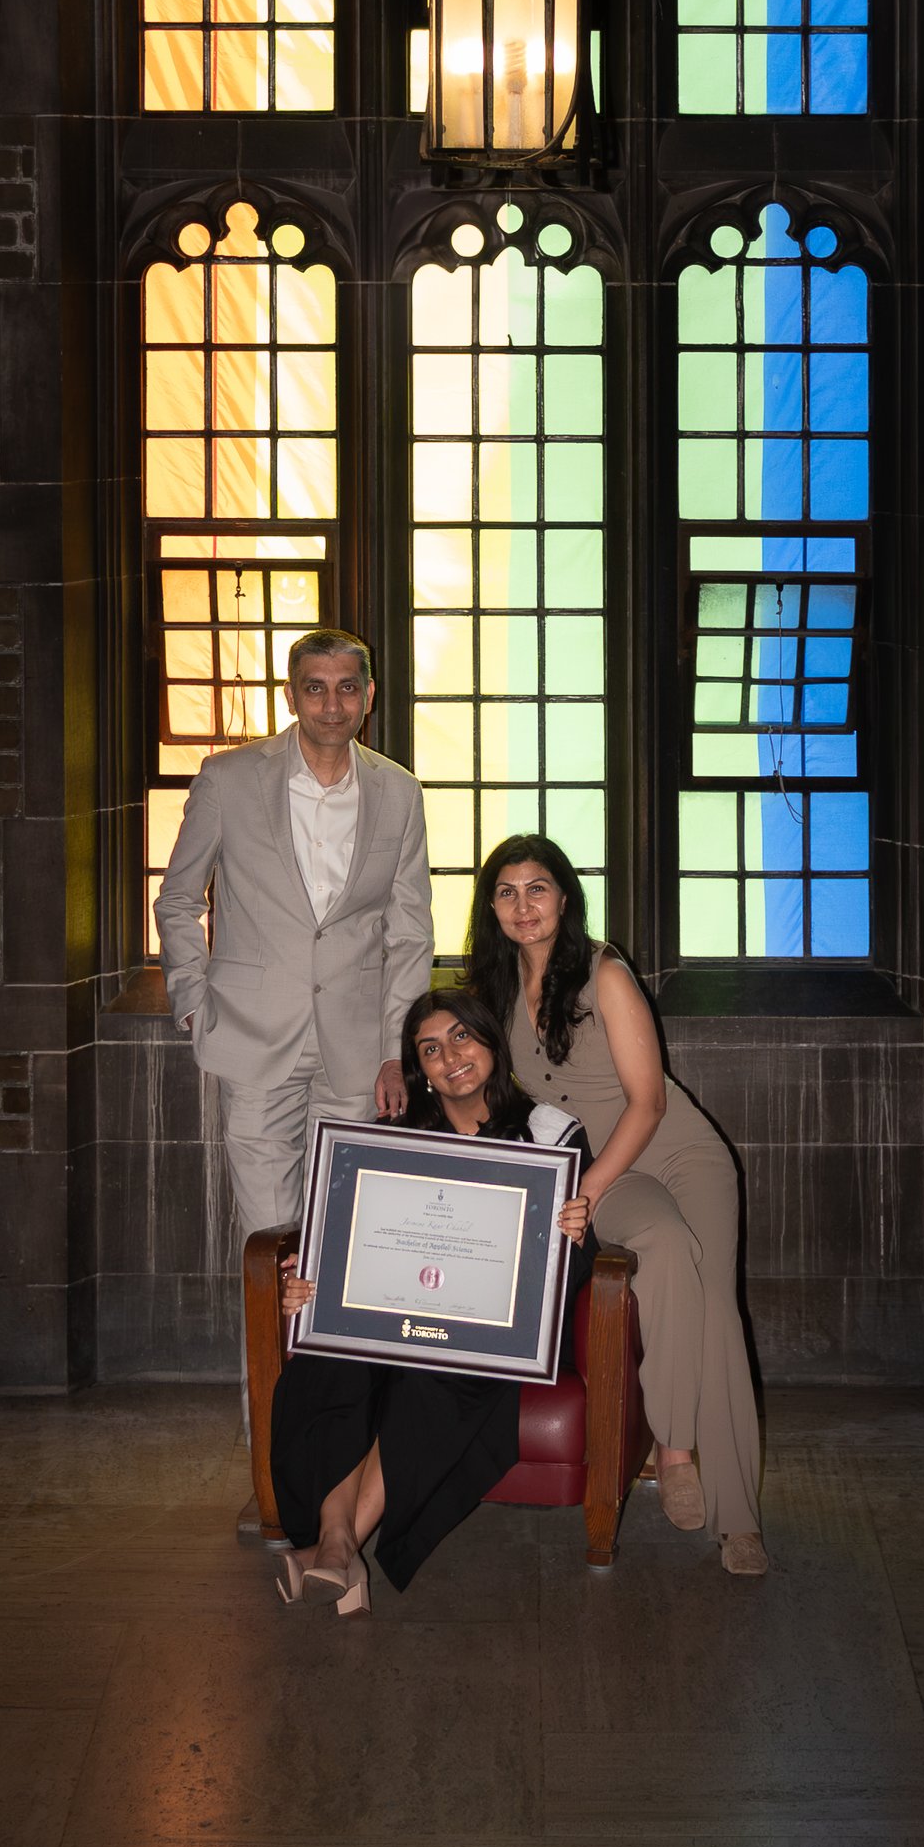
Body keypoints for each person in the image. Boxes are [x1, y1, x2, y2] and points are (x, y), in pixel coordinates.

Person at [471, 835, 768, 1577]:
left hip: (674, 1150)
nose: (523, 906)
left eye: (537, 889)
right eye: (506, 893)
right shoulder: (493, 989)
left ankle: (733, 1513)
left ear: (564, 898)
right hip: (605, 1168)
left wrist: (587, 1191)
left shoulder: (603, 972)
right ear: (492, 909)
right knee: (663, 1249)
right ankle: (671, 1443)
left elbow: (650, 1100)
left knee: (715, 1307)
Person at [268, 988, 590, 1612]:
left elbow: (568, 1264)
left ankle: (333, 1551)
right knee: (333, 1357)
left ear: (491, 1040)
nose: (451, 1057)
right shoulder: (397, 1135)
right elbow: (351, 1234)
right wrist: (311, 1277)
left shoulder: (551, 1134)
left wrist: (572, 1227)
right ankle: (337, 1550)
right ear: (420, 1067)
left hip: (484, 1337)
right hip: (393, 1314)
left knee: (433, 1374)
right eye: (431, 1049)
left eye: (462, 1037)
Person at [154, 630, 435, 1247]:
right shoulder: (227, 780)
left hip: (359, 1053)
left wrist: (397, 1048)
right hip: (252, 1037)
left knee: (347, 1229)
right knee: (270, 1235)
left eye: (346, 689)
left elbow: (409, 932)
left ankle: (327, 1348)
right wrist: (194, 1002)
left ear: (369, 696)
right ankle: (268, 1346)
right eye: (315, 689)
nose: (331, 706)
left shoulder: (399, 791)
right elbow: (178, 898)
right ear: (291, 695)